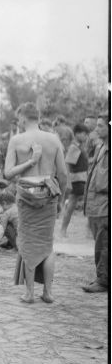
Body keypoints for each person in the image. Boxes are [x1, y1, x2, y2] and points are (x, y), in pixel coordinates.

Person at [5, 102, 67, 304]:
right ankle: (48, 292)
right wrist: (60, 198)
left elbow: (8, 173)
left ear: (22, 118)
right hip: (48, 193)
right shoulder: (53, 139)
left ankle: (29, 293)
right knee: (47, 245)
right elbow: (63, 174)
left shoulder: (17, 140)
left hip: (26, 195)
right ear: (38, 118)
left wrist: (30, 162)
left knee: (27, 241)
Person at [82, 114, 109, 293]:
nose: (96, 129)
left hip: (105, 205)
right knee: (100, 243)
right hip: (96, 205)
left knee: (105, 243)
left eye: (100, 126)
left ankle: (103, 280)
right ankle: (102, 276)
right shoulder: (101, 147)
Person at [59, 124, 89, 237]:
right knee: (72, 205)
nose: (86, 137)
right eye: (84, 134)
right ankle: (63, 230)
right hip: (76, 180)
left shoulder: (80, 146)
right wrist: (68, 181)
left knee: (74, 204)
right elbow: (67, 163)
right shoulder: (74, 147)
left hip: (81, 179)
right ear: (77, 134)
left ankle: (87, 231)